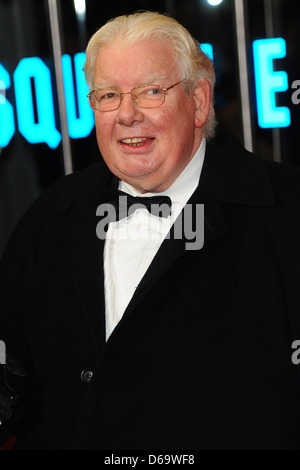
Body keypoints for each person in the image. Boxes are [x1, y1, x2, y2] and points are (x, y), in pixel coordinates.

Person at [1, 10, 300, 451]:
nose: (127, 114)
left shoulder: (288, 212)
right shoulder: (50, 218)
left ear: (199, 100)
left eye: (151, 92)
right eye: (107, 95)